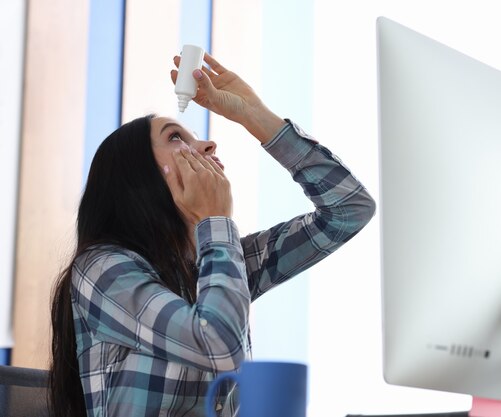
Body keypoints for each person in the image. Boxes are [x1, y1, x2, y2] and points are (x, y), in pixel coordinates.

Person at [48, 53, 376, 417]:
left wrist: (256, 117)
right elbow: (217, 346)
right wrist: (215, 218)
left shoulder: (220, 263)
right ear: (137, 178)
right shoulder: (102, 270)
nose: (208, 146)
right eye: (175, 137)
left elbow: (349, 209)